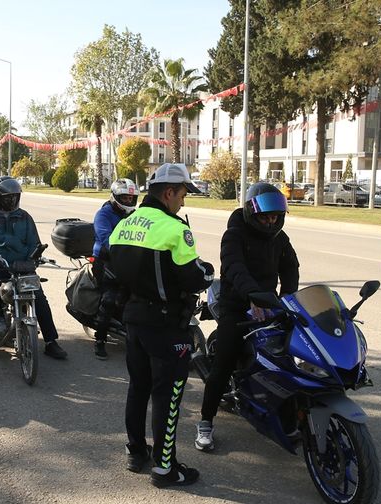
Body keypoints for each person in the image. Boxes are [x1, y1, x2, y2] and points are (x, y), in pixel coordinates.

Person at [108, 163, 214, 488]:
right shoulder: (172, 228)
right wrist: (207, 270)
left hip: (134, 320)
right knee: (167, 397)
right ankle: (165, 469)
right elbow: (194, 277)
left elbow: (114, 272)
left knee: (138, 388)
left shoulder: (125, 224)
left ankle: (135, 452)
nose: (183, 202)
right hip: (167, 327)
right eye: (183, 194)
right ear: (168, 193)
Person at [195, 182, 299, 452]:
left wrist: (288, 299)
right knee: (224, 364)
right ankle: (205, 422)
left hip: (269, 303)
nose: (271, 221)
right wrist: (252, 295)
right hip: (236, 304)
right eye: (265, 216)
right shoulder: (234, 235)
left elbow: (291, 268)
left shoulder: (280, 238)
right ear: (252, 213)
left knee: (289, 357)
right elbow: (234, 268)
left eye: (275, 217)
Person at [0, 176, 67, 368]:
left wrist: (32, 259)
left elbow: (33, 243)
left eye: (15, 197)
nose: (12, 200)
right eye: (8, 197)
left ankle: (51, 342)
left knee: (40, 299)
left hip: (21, 268)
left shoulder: (24, 217)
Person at [91, 178, 139, 360]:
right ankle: (100, 340)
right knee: (110, 299)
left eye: (130, 198)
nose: (128, 201)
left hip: (128, 260)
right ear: (115, 197)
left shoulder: (133, 215)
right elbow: (107, 239)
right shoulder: (103, 214)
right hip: (105, 260)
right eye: (124, 198)